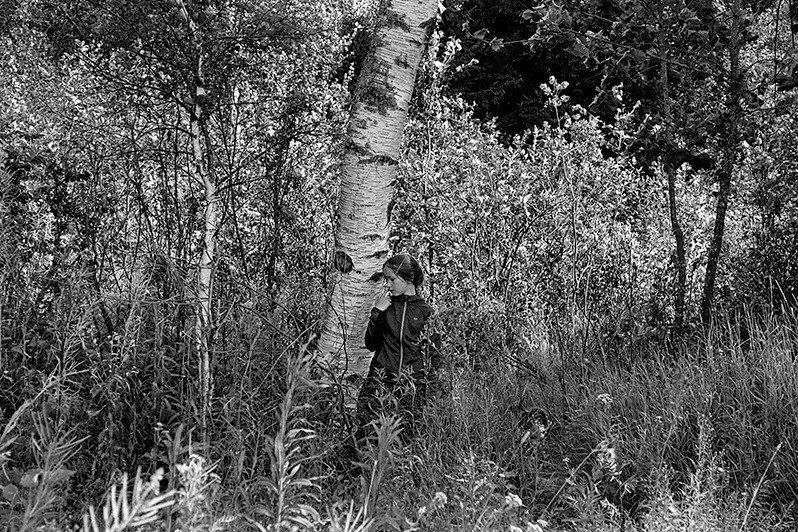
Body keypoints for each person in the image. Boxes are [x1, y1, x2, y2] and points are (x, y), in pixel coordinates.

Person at [355, 253, 438, 443]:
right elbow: (371, 344)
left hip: (410, 385)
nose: (388, 285)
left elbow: (434, 353)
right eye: (386, 280)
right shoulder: (387, 306)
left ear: (408, 278)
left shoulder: (425, 311)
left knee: (406, 436)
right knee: (367, 432)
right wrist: (377, 312)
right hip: (380, 378)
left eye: (391, 279)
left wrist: (429, 388)